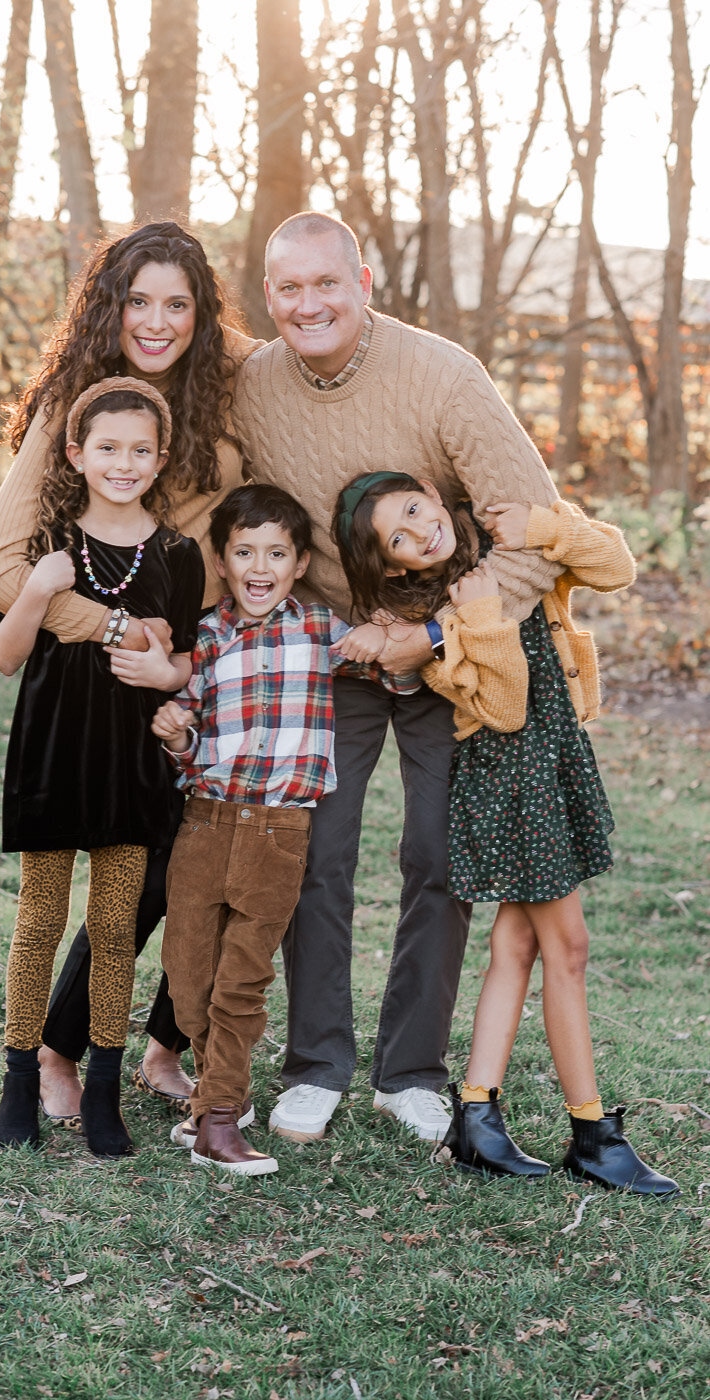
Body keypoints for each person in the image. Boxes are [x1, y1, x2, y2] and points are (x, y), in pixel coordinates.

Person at [231, 211, 565, 1144]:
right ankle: (316, 1064)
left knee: (437, 855)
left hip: (448, 656)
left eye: (325, 283)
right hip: (333, 653)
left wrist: (435, 633)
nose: (309, 304)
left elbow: (535, 526)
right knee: (315, 854)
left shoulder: (442, 373)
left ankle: (411, 1071)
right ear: (270, 298)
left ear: (364, 281)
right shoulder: (253, 387)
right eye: (289, 289)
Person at [0, 222, 261, 1122]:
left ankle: (162, 1045)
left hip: (207, 654)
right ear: (110, 304)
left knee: (212, 853)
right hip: (107, 681)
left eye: (179, 302)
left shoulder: (224, 385)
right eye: (139, 300)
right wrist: (121, 633)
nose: (158, 320)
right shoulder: (79, 402)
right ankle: (58, 1052)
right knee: (128, 861)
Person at [334, 470, 678, 1194]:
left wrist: (544, 527)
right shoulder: (429, 624)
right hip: (508, 779)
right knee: (569, 949)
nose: (423, 530)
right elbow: (506, 706)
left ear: (434, 492)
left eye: (417, 509)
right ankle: (591, 1133)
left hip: (555, 758)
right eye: (401, 537)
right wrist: (479, 620)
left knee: (518, 947)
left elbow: (616, 565)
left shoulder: (507, 547)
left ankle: (476, 1117)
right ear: (396, 566)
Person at [151, 485, 418, 1175]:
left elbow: (401, 681)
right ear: (221, 560)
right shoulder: (206, 637)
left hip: (279, 833)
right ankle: (219, 1095)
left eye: (276, 552)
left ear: (300, 563)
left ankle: (216, 1117)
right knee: (188, 976)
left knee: (242, 979)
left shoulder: (322, 630)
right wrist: (176, 736)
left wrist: (388, 638)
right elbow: (185, 720)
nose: (259, 565)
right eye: (244, 551)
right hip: (205, 826)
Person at [0, 378, 204, 1157]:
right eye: (107, 447)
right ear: (77, 453)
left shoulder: (178, 556)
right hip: (51, 758)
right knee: (40, 920)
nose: (124, 462)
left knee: (115, 928)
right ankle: (18, 1082)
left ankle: (106, 1087)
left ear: (160, 458)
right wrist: (39, 591)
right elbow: (4, 657)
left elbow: (183, 661)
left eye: (140, 450)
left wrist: (167, 671)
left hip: (130, 769)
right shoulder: (47, 543)